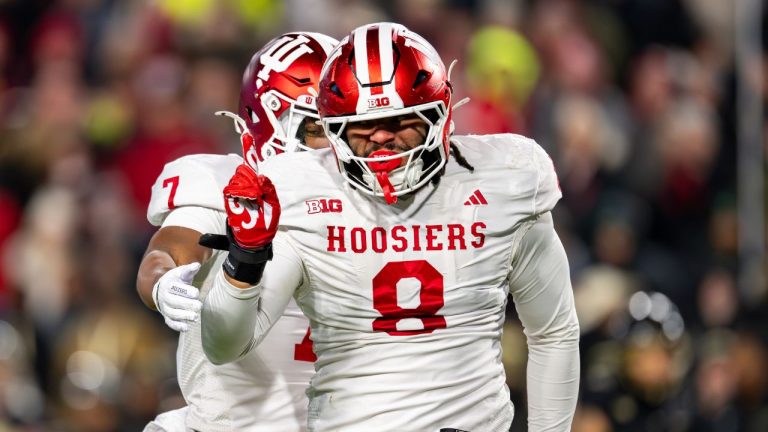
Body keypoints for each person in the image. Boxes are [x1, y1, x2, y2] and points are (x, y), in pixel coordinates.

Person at [201, 22, 580, 431]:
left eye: (401, 121)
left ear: (442, 112)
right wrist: (246, 258)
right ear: (332, 126)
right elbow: (226, 346)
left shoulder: (504, 178)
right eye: (362, 125)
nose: (382, 138)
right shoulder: (299, 189)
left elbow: (554, 331)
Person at [135, 31, 338, 432]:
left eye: (344, 125)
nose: (335, 144)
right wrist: (163, 280)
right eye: (317, 128)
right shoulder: (226, 185)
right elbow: (170, 249)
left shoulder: (378, 206)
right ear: (267, 123)